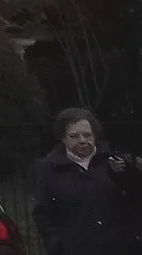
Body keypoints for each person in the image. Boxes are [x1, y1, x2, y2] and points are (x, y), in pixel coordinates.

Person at [33, 107, 131, 255]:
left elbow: (131, 203)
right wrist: (57, 245)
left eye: (87, 135)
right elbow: (43, 214)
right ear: (63, 138)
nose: (82, 141)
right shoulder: (48, 169)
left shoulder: (113, 162)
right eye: (74, 136)